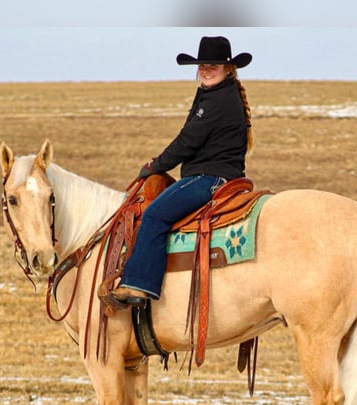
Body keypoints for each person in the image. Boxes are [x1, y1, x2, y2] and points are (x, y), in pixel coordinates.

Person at [107, 35, 254, 307]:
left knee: (154, 215)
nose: (207, 69)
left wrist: (155, 166)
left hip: (209, 178)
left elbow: (187, 142)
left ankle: (140, 285)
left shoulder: (216, 100)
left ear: (228, 68)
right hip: (220, 175)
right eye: (202, 65)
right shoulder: (217, 94)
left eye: (214, 65)